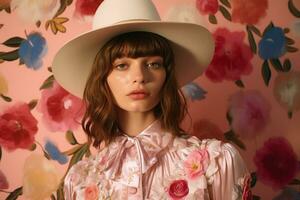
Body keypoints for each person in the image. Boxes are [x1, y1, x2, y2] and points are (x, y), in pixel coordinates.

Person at [52, 0, 251, 199]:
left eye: (153, 64)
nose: (139, 76)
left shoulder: (216, 164)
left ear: (167, 74)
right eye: (122, 65)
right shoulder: (79, 180)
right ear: (103, 78)